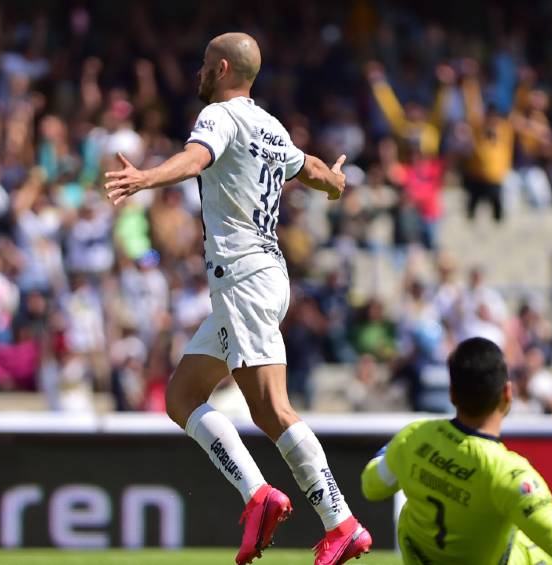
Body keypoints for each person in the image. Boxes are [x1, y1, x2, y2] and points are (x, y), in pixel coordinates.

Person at [104, 32, 372, 565]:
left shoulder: (219, 118)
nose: (200, 73)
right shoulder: (271, 127)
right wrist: (336, 183)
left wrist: (145, 179)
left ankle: (339, 521)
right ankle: (257, 495)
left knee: (271, 408)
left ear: (223, 68)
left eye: (205, 64)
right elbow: (312, 169)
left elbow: (195, 159)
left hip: (243, 278)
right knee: (181, 397)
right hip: (263, 277)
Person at [360, 337, 552, 565]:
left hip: (436, 555)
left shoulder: (414, 438)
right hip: (508, 560)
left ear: (452, 394)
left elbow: (371, 487)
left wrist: (399, 445)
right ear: (507, 394)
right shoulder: (510, 474)